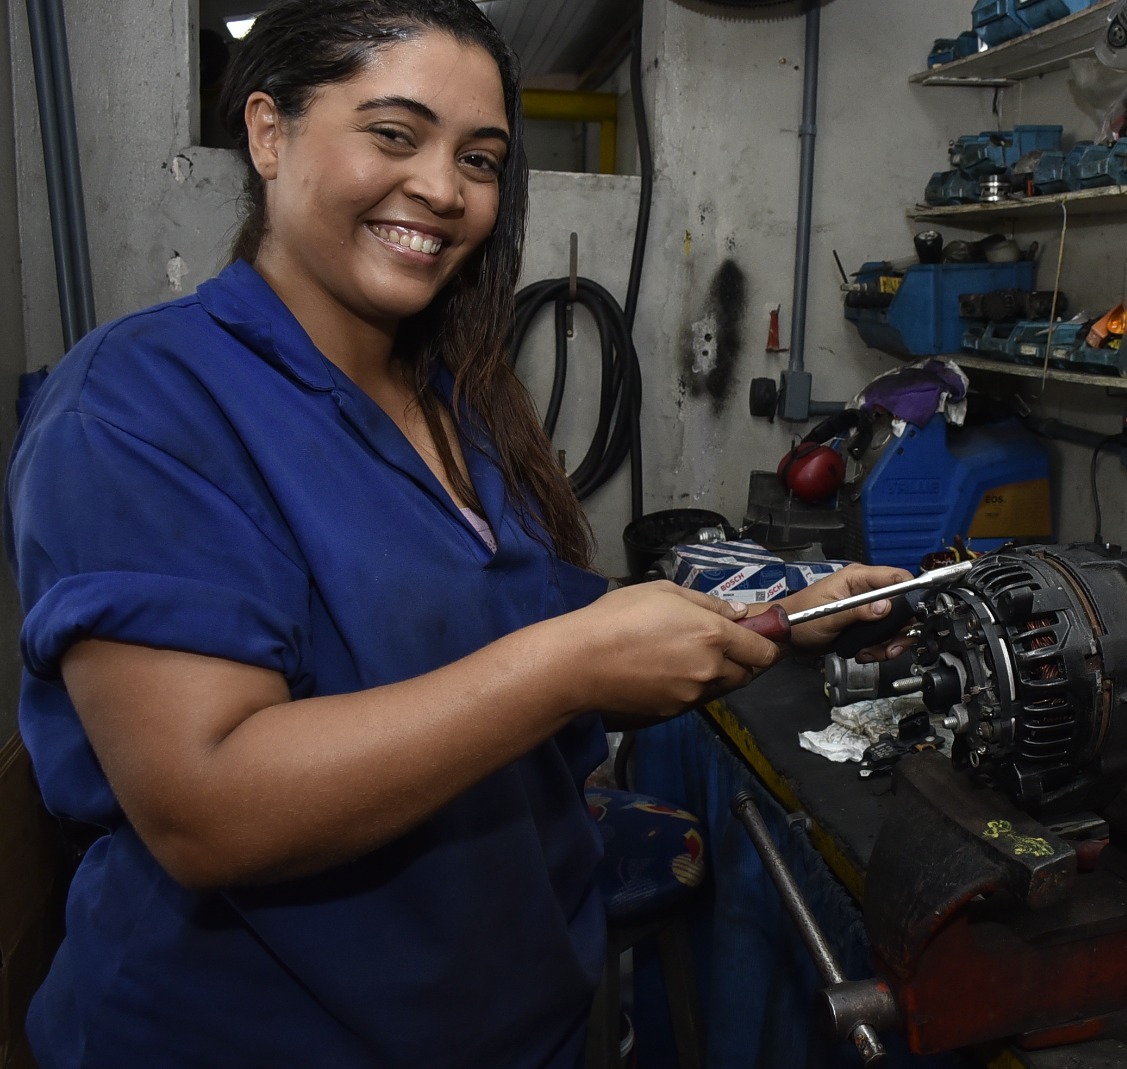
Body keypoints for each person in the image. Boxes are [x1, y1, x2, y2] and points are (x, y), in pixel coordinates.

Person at [3, 2, 911, 1066]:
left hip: (510, 1015)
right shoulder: (140, 402)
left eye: (479, 158)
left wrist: (766, 618)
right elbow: (209, 806)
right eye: (394, 134)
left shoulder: (453, 397)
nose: (443, 188)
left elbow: (510, 618)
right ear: (268, 131)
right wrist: (566, 665)